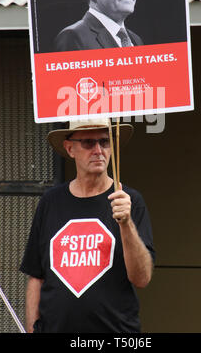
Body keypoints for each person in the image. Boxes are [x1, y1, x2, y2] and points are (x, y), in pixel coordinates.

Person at [20, 118, 154, 333]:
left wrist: (126, 224)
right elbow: (36, 275)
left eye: (105, 141)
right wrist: (31, 328)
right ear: (70, 148)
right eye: (88, 143)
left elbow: (142, 278)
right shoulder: (51, 201)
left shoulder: (129, 201)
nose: (98, 150)